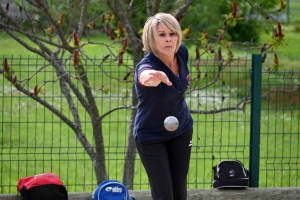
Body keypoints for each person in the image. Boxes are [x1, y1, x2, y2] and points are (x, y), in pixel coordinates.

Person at [133, 12, 194, 200]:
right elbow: (144, 76)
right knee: (164, 194)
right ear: (152, 39)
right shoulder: (147, 65)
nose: (168, 39)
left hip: (182, 130)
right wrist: (153, 77)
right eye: (161, 35)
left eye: (172, 33)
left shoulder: (182, 53)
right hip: (151, 136)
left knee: (179, 192)